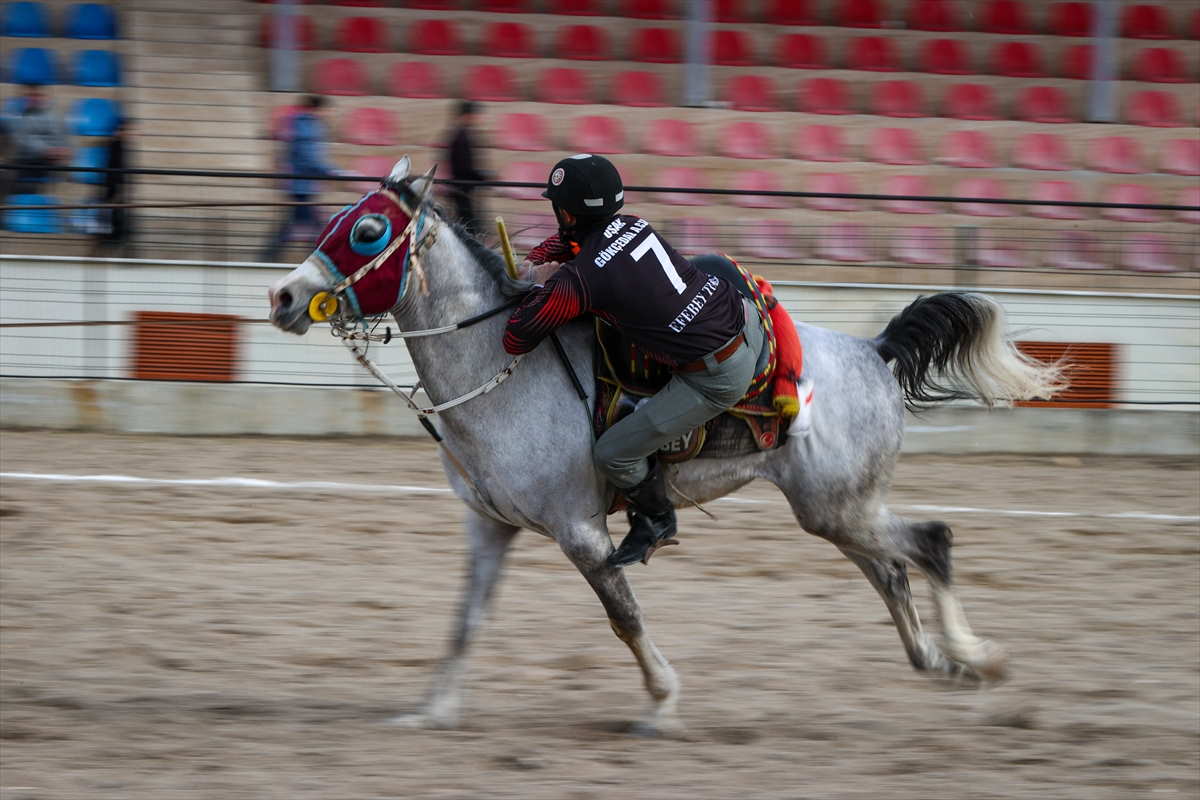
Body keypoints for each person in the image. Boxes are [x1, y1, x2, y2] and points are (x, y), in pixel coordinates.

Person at [503, 155, 763, 568]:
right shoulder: (633, 223)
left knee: (613, 454)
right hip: (748, 317)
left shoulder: (579, 280)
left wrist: (537, 284)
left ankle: (659, 520)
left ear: (566, 211)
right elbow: (568, 244)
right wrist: (536, 261)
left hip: (719, 375)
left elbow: (517, 337)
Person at [260, 94, 338, 262]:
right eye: (328, 110)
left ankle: (271, 255)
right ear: (318, 109)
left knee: (303, 225)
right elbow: (309, 159)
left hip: (302, 184)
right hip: (302, 185)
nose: (330, 114)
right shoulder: (307, 126)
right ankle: (316, 260)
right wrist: (333, 171)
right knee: (306, 226)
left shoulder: (301, 124)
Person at [1, 83, 68, 200]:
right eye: (29, 96)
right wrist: (46, 150)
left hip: (46, 163)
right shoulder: (15, 114)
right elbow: (20, 140)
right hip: (23, 161)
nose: (34, 99)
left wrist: (63, 150)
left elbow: (61, 137)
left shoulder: (53, 115)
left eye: (38, 95)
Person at [91, 116, 132, 255]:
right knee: (110, 219)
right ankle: (104, 246)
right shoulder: (115, 145)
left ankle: (108, 245)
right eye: (125, 130)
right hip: (112, 188)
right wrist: (118, 190)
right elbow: (114, 169)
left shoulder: (120, 145)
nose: (128, 133)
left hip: (114, 188)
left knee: (113, 219)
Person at [444, 100, 486, 234]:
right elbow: (464, 167)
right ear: (467, 116)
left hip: (462, 188)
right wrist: (483, 177)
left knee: (467, 225)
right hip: (462, 189)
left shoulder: (458, 134)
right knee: (469, 227)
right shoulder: (461, 137)